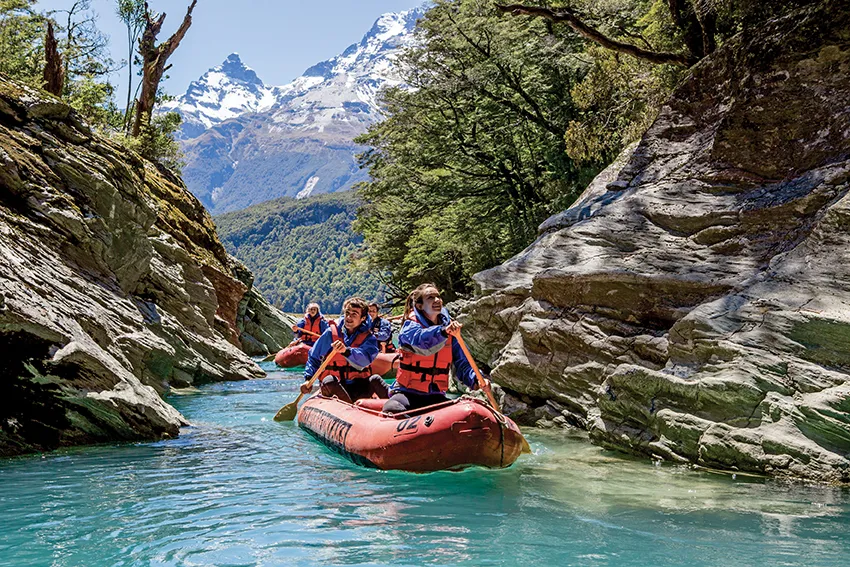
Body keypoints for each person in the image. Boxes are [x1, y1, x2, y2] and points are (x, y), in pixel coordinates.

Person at [382, 283, 489, 414]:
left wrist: (476, 378)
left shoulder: (450, 332)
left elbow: (463, 363)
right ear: (419, 305)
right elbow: (422, 343)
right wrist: (442, 332)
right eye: (430, 297)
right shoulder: (409, 327)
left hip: (436, 395)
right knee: (392, 409)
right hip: (407, 393)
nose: (437, 300)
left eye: (438, 296)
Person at [300, 297, 390, 403]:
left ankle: (398, 410)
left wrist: (346, 351)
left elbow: (365, 359)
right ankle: (349, 408)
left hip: (358, 386)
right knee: (329, 380)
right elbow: (314, 357)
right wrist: (308, 378)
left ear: (363, 318)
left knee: (375, 379)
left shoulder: (368, 338)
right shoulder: (330, 334)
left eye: (354, 314)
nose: (348, 317)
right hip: (336, 385)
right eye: (347, 313)